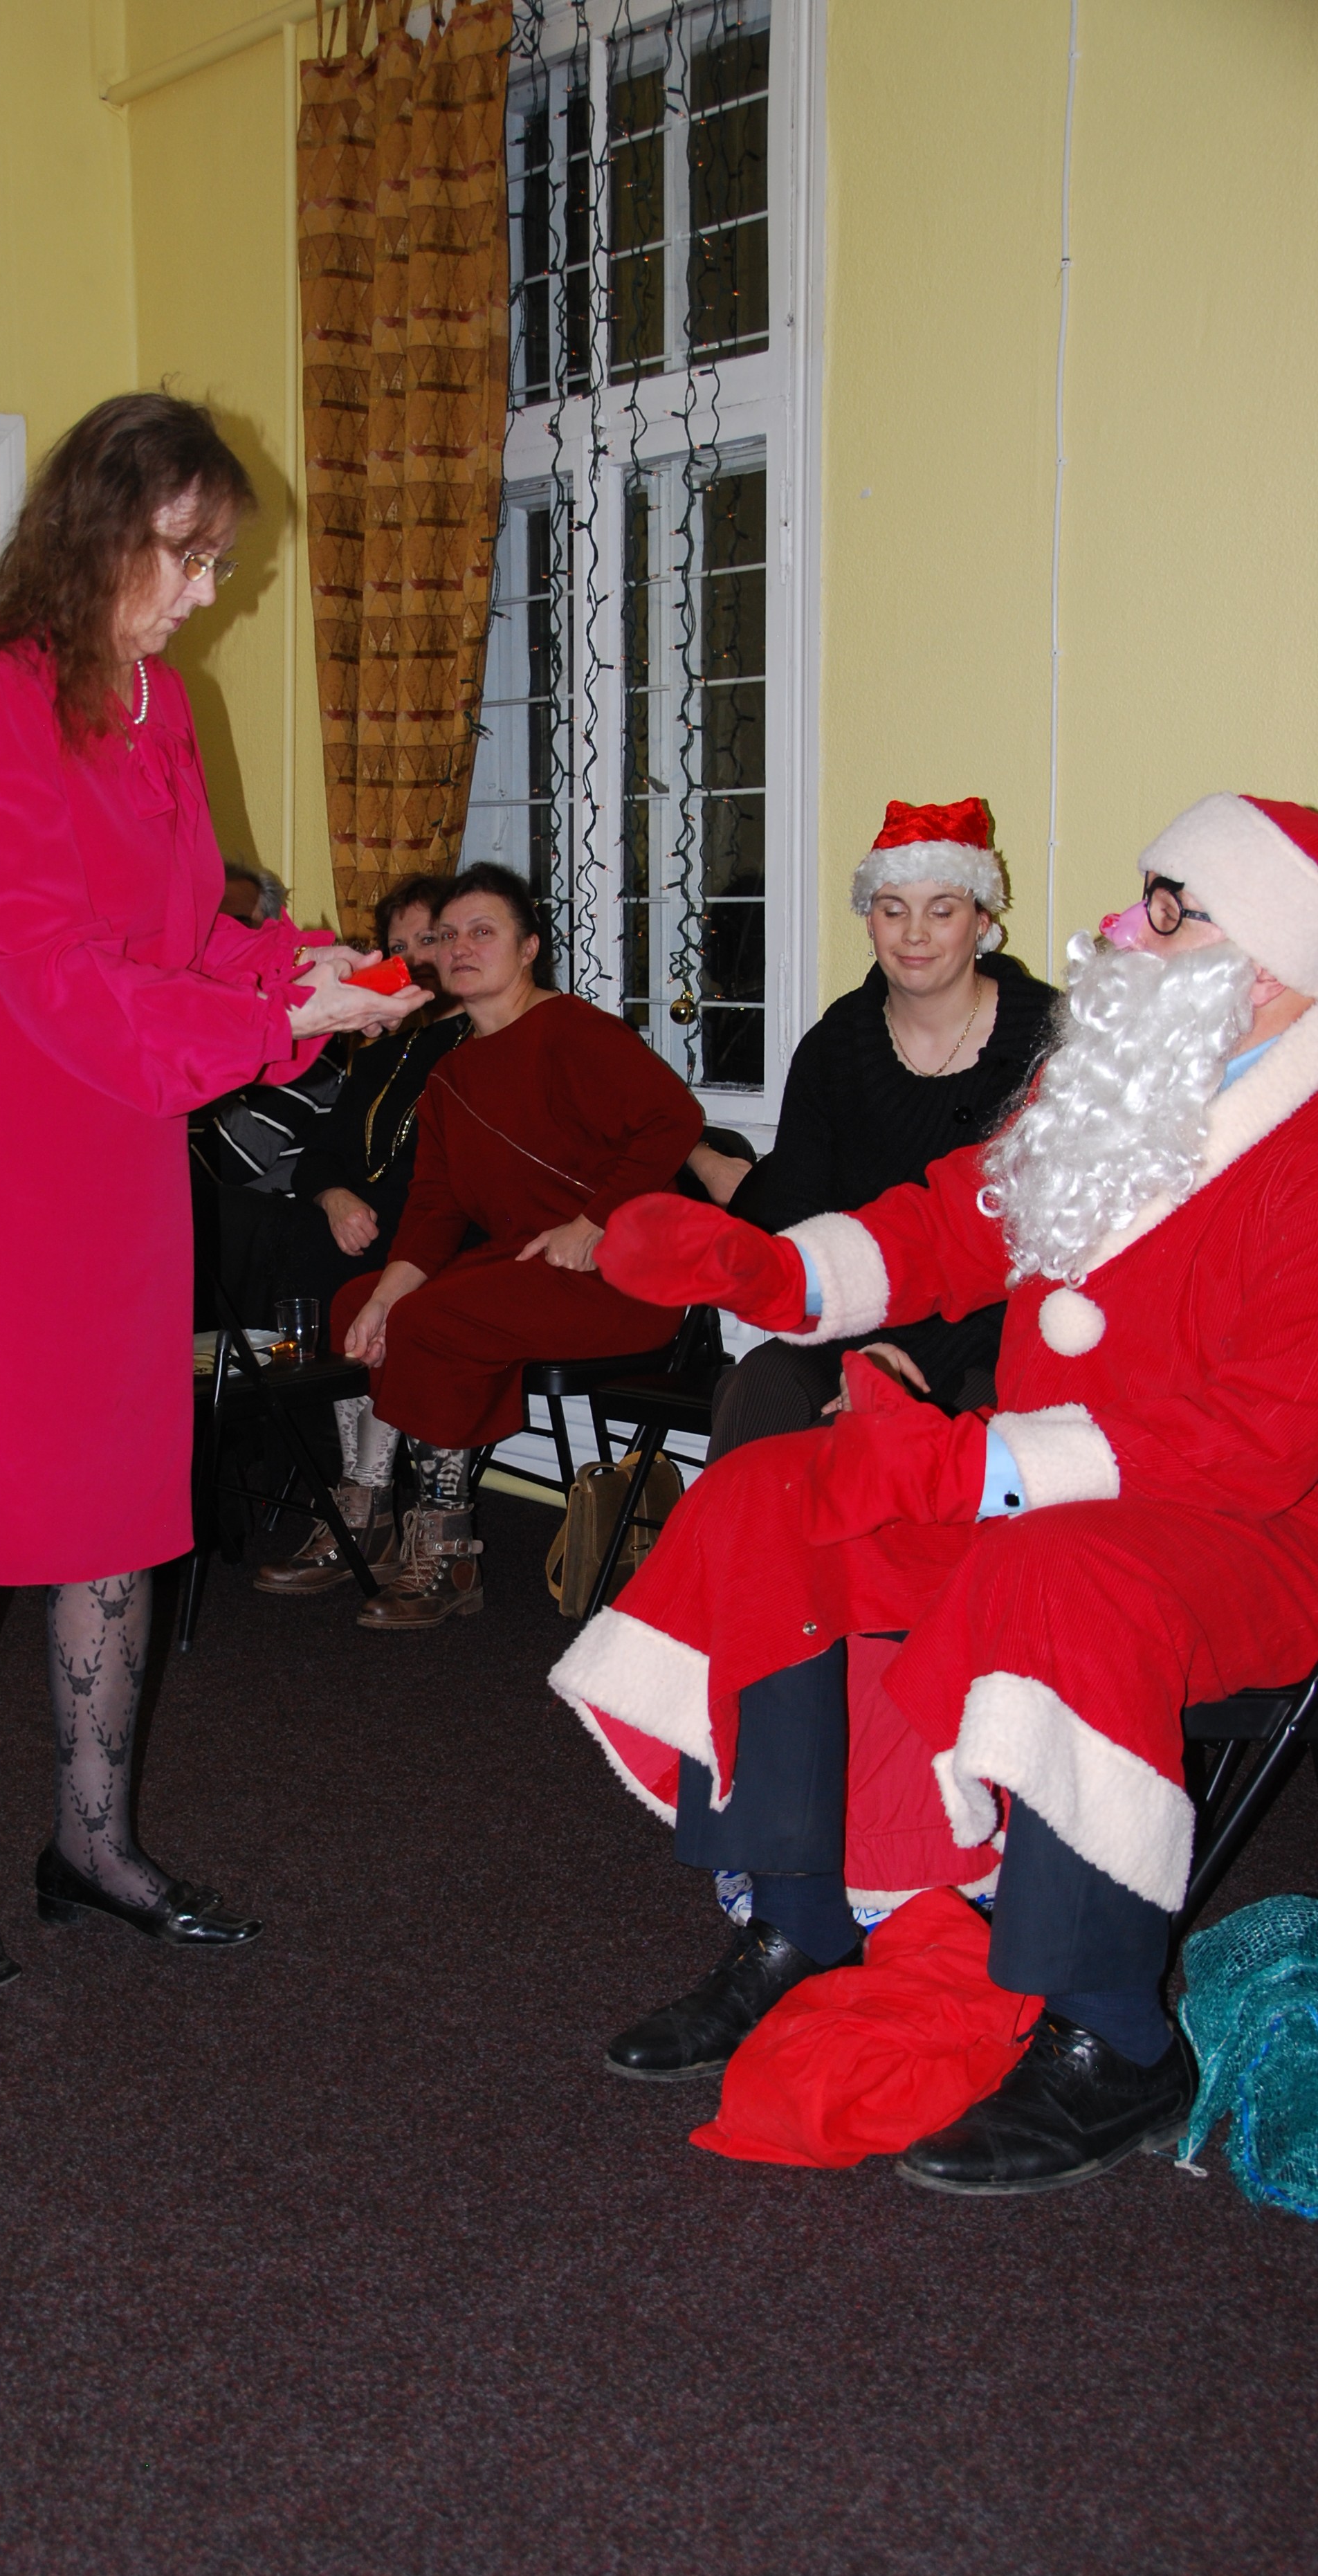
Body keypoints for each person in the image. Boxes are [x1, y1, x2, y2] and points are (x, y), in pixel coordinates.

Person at [549, 792, 1318, 2193]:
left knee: (1055, 1572)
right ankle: (799, 1923)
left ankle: (1111, 2039)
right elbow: (956, 1218)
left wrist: (983, 1465)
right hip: (1045, 1477)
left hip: (1245, 1535)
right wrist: (777, 1271)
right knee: (773, 1496)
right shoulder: (1111, 1081)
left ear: (1265, 965)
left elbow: (1261, 1439)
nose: (1123, 928)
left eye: (1171, 909)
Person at [0, 393, 424, 1995]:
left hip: (111, 1134)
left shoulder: (164, 703)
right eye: (187, 554)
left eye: (219, 561)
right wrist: (271, 1025)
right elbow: (43, 955)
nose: (209, 590)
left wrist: (305, 971)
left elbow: (181, 932)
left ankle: (92, 1845)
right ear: (97, 534)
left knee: (114, 1495)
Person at [329, 867, 705, 1631]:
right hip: (528, 1268)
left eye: (483, 931)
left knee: (433, 1322)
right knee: (355, 1302)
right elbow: (435, 1208)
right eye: (447, 936)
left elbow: (674, 1119)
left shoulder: (575, 1031)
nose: (460, 948)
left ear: (530, 947)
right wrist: (385, 1293)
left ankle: (449, 1552)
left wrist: (593, 1222)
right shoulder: (450, 1074)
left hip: (620, 1277)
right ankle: (365, 1516)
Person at [697, 798, 1055, 1455]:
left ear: (982, 921)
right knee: (759, 1391)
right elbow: (798, 1215)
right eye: (893, 910)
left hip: (996, 1338)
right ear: (870, 921)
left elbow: (1043, 1248)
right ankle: (717, 1527)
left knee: (884, 1450)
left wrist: (891, 1376)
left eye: (941, 910)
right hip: (852, 1320)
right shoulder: (836, 1044)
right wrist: (857, 1356)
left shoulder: (1048, 1040)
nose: (914, 933)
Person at [251, 872, 473, 1594]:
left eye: (429, 939)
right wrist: (334, 1194)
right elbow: (320, 1153)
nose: (415, 959)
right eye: (399, 947)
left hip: (444, 1233)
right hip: (366, 1230)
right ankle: (356, 1497)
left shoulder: (480, 1041)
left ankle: (367, 1504)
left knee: (356, 1283)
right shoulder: (379, 1049)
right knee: (289, 1242)